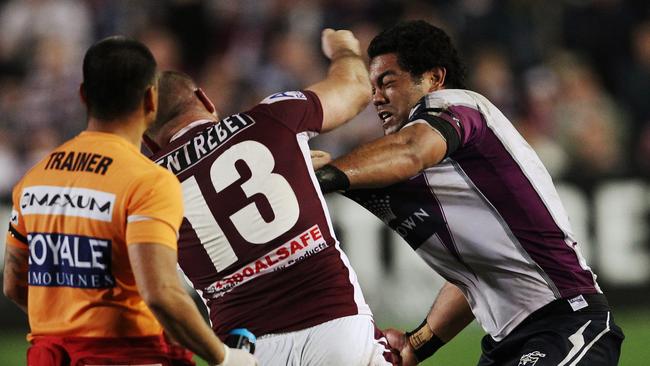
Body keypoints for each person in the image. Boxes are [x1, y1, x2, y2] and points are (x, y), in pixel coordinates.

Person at [315, 20, 624, 366]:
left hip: (567, 321)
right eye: (372, 87)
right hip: (507, 343)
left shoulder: (461, 106)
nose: (376, 97)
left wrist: (322, 176)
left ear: (434, 78)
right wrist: (416, 345)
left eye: (388, 82)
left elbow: (410, 150)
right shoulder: (450, 171)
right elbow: (476, 275)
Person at [143, 29, 392, 366]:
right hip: (333, 323)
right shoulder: (270, 118)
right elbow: (356, 89)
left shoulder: (147, 185)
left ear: (151, 141)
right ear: (205, 100)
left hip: (246, 349)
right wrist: (343, 49)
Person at [2, 36, 256, 366]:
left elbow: (13, 285)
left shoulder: (33, 180)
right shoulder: (147, 181)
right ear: (151, 100)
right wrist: (227, 358)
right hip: (129, 355)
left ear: (83, 97)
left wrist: (69, 323)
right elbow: (161, 293)